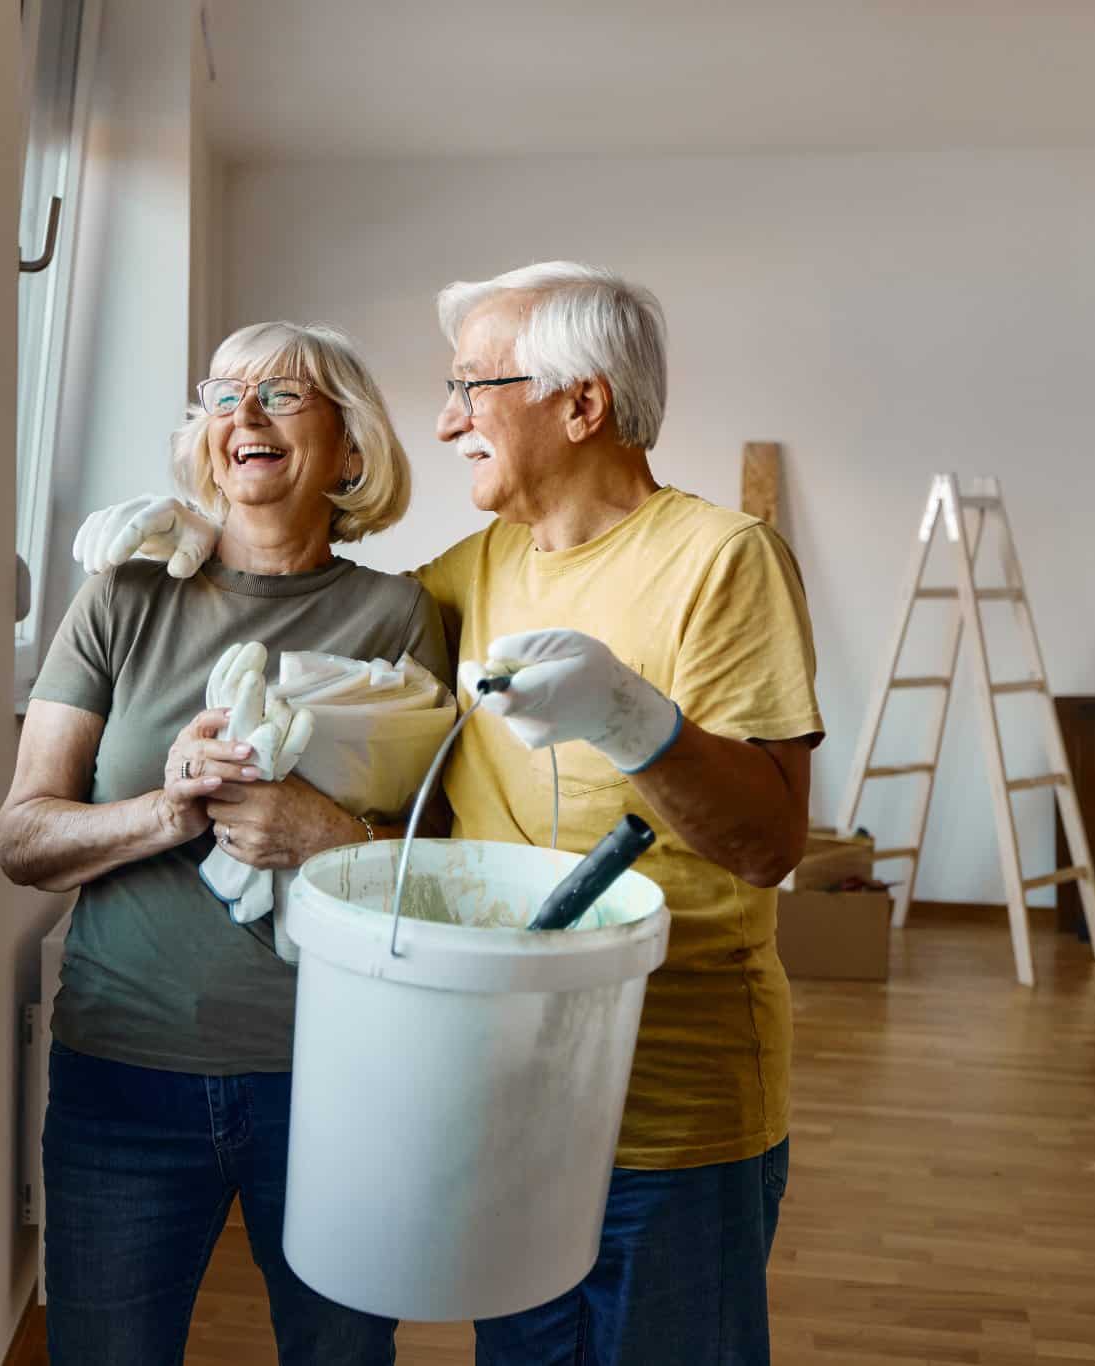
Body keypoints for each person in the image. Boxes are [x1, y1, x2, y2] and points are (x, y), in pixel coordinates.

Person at [73, 262, 823, 1366]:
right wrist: (190, 534)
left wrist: (628, 716)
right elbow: (312, 591)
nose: (446, 418)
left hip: (667, 1109)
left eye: (474, 386)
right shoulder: (473, 570)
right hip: (509, 1096)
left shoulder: (719, 559)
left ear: (581, 403)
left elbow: (768, 844)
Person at [0, 321, 449, 1366]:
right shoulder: (122, 597)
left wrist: (323, 833)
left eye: (282, 395)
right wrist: (168, 809)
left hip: (335, 1080)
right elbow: (23, 836)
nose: (243, 414)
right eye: (222, 394)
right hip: (122, 1077)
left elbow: (440, 860)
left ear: (349, 446)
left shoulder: (395, 614)